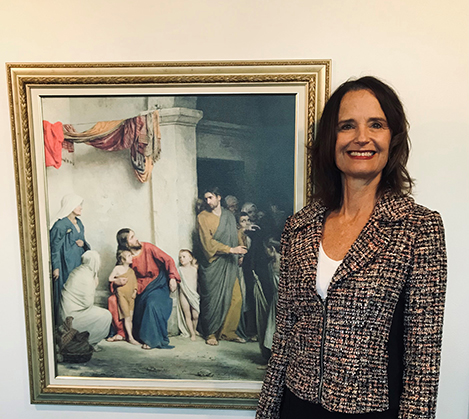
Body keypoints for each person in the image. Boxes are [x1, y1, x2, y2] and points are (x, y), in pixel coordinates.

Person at [256, 76, 447, 419]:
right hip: (296, 407)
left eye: (376, 124)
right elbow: (283, 338)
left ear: (393, 138)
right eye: (347, 126)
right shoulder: (299, 228)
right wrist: (267, 412)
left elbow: (423, 357)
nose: (362, 137)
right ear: (332, 140)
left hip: (371, 412)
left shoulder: (419, 228)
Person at [109, 229, 180, 349]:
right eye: (131, 237)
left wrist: (172, 277)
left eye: (134, 235)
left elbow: (168, 260)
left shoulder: (148, 248)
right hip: (139, 288)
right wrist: (117, 281)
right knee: (114, 300)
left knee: (152, 304)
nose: (136, 238)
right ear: (126, 244)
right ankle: (122, 333)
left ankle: (152, 340)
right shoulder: (125, 256)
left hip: (157, 284)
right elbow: (117, 275)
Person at [197, 187, 248, 346]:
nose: (208, 201)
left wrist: (240, 251)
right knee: (212, 300)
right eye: (205, 198)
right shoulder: (202, 217)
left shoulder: (229, 215)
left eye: (210, 197)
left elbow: (237, 233)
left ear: (219, 197)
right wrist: (231, 250)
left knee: (236, 298)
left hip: (231, 263)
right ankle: (210, 333)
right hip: (213, 263)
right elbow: (207, 243)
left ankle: (228, 332)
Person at [59, 250, 112, 347]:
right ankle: (88, 343)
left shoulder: (77, 271)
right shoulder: (87, 277)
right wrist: (95, 286)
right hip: (72, 317)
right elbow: (88, 303)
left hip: (66, 313)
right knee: (106, 315)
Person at [50, 194, 90, 318]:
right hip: (65, 263)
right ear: (71, 206)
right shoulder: (60, 225)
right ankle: (65, 322)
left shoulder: (79, 223)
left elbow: (83, 240)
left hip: (78, 261)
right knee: (66, 289)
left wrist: (83, 244)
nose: (81, 208)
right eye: (78, 205)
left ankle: (78, 319)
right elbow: (54, 247)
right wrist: (56, 267)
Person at [107, 249, 139, 345]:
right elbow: (110, 278)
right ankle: (130, 337)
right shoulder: (117, 269)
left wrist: (135, 291)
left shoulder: (131, 271)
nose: (131, 257)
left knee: (131, 318)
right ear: (123, 259)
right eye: (129, 256)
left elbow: (134, 283)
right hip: (122, 296)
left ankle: (129, 335)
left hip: (131, 297)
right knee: (127, 317)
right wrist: (118, 279)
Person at [176, 249, 200, 341]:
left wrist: (194, 262)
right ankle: (192, 333)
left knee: (196, 315)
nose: (181, 259)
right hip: (184, 294)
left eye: (184, 257)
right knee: (188, 315)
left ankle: (194, 329)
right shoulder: (180, 270)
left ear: (190, 258)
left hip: (194, 295)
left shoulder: (195, 269)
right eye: (180, 257)